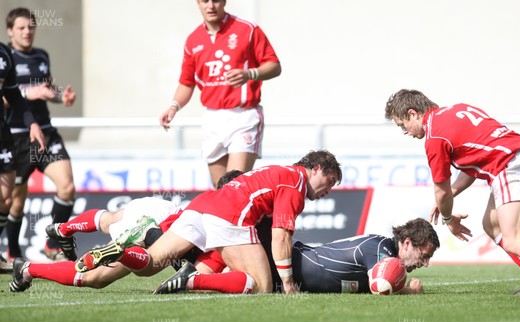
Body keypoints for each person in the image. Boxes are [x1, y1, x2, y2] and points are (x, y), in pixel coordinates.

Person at [384, 89, 520, 297]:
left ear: (412, 113)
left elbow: (441, 191)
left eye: (403, 125)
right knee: (491, 225)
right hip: (516, 159)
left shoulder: (434, 136)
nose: (405, 131)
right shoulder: (456, 110)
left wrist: (448, 218)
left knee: (514, 239)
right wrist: (451, 194)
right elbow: (472, 166)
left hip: (509, 164)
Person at [75, 150, 342, 294]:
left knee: (150, 264)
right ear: (316, 168)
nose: (328, 189)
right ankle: (190, 282)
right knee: (261, 286)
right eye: (329, 181)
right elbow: (280, 235)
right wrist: (288, 284)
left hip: (202, 205)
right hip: (230, 216)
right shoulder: (295, 182)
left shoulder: (279, 171)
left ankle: (120, 249)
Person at [9, 172, 246, 293]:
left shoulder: (212, 203)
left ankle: (62, 230)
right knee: (96, 276)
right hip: (156, 229)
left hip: (160, 212)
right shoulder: (230, 222)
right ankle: (30, 267)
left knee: (110, 221)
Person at [159, 0, 282, 188]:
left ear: (224, 1)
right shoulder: (193, 40)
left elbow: (274, 66)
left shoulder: (247, 30)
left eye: (215, 0)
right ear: (197, 3)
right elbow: (187, 82)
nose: (211, 6)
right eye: (204, 1)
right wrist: (174, 106)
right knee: (220, 192)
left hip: (244, 116)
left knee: (235, 186)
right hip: (213, 119)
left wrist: (250, 73)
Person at [155, 217, 440, 295]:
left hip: (290, 273)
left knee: (249, 285)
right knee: (250, 282)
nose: (424, 264)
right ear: (406, 242)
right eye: (423, 255)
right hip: (288, 261)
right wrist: (409, 291)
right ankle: (155, 242)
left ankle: (189, 279)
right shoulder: (381, 249)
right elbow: (381, 286)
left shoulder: (385, 252)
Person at [4, 8, 77, 260]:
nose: (27, 32)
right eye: (21, 28)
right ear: (10, 31)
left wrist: (60, 96)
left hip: (45, 132)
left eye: (31, 27)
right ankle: (12, 252)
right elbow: (8, 96)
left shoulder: (41, 56)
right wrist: (26, 94)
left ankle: (53, 245)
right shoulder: (5, 58)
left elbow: (46, 88)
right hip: (16, 136)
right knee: (15, 201)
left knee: (66, 187)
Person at [0, 39, 46, 262]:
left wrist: (32, 123)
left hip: (3, 134)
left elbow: (13, 95)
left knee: (6, 200)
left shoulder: (4, 54)